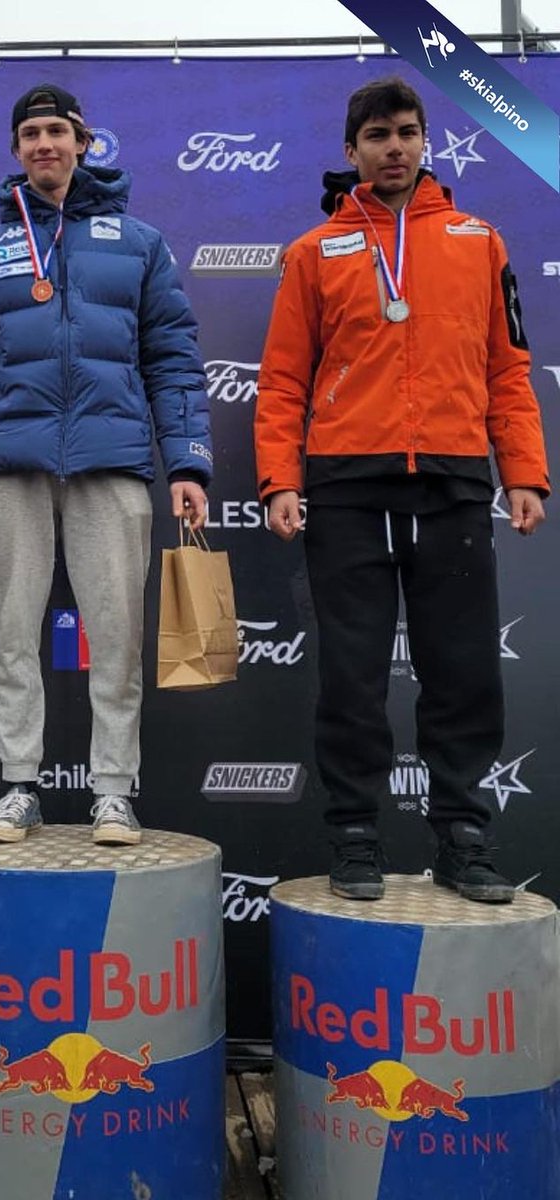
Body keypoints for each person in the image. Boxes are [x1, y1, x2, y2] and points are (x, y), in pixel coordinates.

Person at [254, 77, 548, 904]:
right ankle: (354, 835)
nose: (395, 148)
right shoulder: (314, 252)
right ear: (351, 150)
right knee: (352, 677)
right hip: (347, 488)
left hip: (453, 484)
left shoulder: (479, 241)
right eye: (378, 135)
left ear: (427, 142)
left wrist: (523, 472)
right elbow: (282, 381)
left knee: (463, 673)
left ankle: (463, 839)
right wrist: (280, 479)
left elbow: (508, 370)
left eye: (408, 132)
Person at [0, 84, 212, 846]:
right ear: (16, 150)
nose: (44, 144)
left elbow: (173, 360)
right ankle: (19, 786)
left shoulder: (139, 244)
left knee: (116, 635)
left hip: (110, 461)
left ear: (84, 142)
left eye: (57, 131)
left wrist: (187, 463)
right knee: (12, 633)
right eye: (31, 134)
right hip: (7, 464)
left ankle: (113, 791)